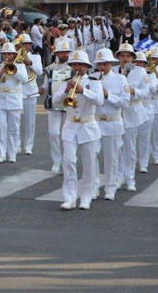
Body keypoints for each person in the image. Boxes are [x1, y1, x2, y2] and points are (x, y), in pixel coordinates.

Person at [52, 50, 104, 210]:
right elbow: (54, 101)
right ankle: (69, 197)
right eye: (74, 64)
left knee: (89, 164)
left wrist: (83, 90)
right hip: (69, 126)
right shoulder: (66, 82)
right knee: (68, 162)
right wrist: (67, 91)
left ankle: (86, 197)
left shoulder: (95, 82)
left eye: (80, 64)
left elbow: (100, 101)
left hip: (88, 126)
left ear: (87, 67)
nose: (77, 68)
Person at [92, 48, 129, 200]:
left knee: (111, 157)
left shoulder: (120, 79)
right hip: (95, 121)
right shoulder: (92, 78)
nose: (102, 67)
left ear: (111, 64)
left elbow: (125, 102)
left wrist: (108, 95)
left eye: (105, 64)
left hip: (113, 122)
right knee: (92, 154)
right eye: (100, 64)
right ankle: (93, 187)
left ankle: (110, 188)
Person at [113, 43, 149, 192]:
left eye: (128, 56)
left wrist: (132, 90)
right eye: (122, 56)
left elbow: (146, 92)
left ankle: (130, 178)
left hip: (133, 110)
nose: (125, 59)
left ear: (133, 58)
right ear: (118, 57)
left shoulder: (140, 71)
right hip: (116, 111)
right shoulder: (114, 71)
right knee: (116, 146)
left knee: (130, 147)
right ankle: (118, 176)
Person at [0, 42, 28, 163]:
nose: (6, 56)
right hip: (0, 98)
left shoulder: (20, 66)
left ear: (13, 55)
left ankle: (12, 154)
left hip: (14, 99)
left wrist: (14, 70)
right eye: (4, 54)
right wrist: (1, 72)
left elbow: (25, 80)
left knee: (14, 128)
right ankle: (0, 154)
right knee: (0, 127)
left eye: (9, 54)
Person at [39, 41, 74, 173]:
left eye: (67, 52)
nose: (65, 54)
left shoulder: (73, 68)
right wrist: (42, 88)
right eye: (62, 52)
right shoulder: (50, 68)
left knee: (67, 134)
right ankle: (56, 160)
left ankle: (67, 159)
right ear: (57, 53)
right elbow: (46, 84)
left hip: (69, 105)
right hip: (53, 104)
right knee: (53, 133)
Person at [133, 51, 157, 173]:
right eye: (137, 62)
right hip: (134, 108)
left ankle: (143, 163)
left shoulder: (150, 75)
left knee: (145, 137)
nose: (139, 64)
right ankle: (133, 160)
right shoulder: (130, 74)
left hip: (146, 107)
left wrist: (150, 75)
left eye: (141, 63)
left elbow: (153, 89)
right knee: (131, 138)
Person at [19, 35, 43, 156]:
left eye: (27, 43)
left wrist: (30, 63)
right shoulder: (16, 57)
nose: (25, 46)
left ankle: (28, 146)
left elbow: (39, 71)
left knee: (30, 121)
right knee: (15, 120)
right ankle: (16, 144)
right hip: (17, 90)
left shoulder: (36, 57)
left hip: (31, 91)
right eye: (23, 44)